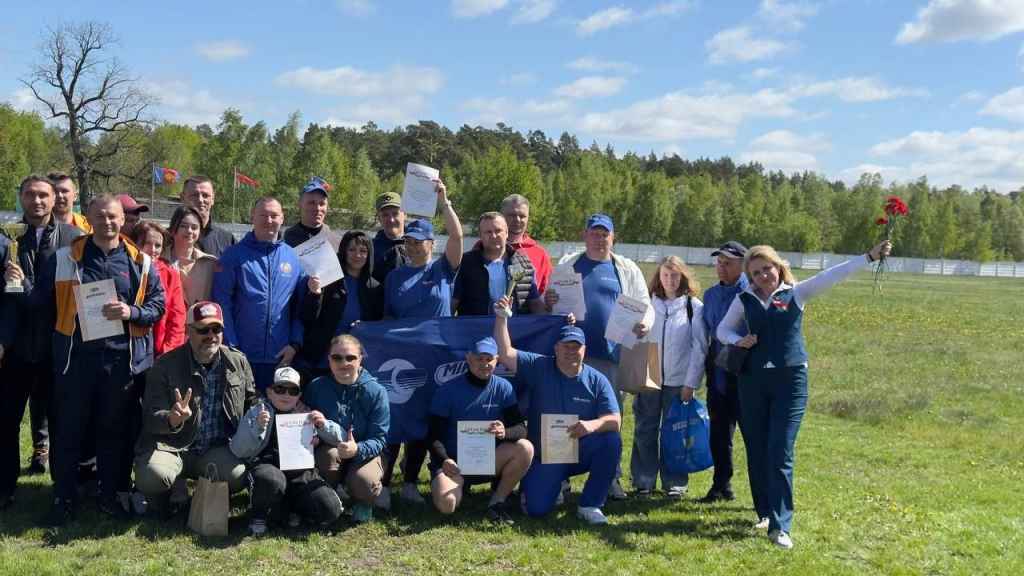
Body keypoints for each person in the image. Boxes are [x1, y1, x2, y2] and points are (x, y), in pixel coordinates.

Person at [717, 240, 892, 550]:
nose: (763, 276)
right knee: (756, 449)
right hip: (753, 382)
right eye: (756, 273)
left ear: (778, 267)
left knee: (780, 449)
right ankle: (764, 513)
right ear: (751, 276)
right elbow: (722, 330)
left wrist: (868, 256)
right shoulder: (744, 299)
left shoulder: (796, 293)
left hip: (790, 383)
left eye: (767, 269)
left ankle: (781, 526)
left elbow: (834, 275)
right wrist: (738, 339)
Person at [32, 194, 166, 525]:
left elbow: (157, 306)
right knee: (68, 431)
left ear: (123, 220)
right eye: (101, 216)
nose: (108, 222)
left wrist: (131, 311)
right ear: (88, 218)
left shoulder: (141, 262)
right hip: (75, 361)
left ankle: (109, 495)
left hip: (120, 363)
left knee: (112, 431)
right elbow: (41, 306)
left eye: (114, 217)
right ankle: (63, 496)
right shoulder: (64, 258)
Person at [545, 213, 651, 500]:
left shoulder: (625, 268)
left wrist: (645, 324)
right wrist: (549, 302)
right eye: (595, 233)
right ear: (585, 235)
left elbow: (645, 305)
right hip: (571, 355)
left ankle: (610, 478)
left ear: (612, 237)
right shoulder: (569, 265)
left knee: (610, 416)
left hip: (612, 356)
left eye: (605, 233)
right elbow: (550, 303)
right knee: (567, 415)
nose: (599, 238)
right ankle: (560, 478)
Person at [494, 296, 621, 524]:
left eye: (577, 347)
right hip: (546, 457)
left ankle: (590, 504)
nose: (571, 351)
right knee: (536, 510)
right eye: (566, 346)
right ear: (556, 348)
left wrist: (591, 426)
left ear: (585, 350)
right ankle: (554, 486)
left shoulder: (597, 380)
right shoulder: (540, 366)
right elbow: (505, 352)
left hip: (579, 450)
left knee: (611, 440)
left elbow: (615, 420)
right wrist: (501, 317)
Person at [0, 175, 83, 508]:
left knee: (62, 423)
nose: (37, 201)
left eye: (43, 195)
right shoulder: (5, 239)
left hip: (57, 347)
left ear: (56, 200)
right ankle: (5, 487)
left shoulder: (74, 239)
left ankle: (62, 490)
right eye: (30, 195)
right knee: (5, 422)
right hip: (14, 348)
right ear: (20, 197)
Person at [134, 301, 258, 518]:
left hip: (214, 448)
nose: (211, 335)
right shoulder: (164, 365)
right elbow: (150, 417)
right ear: (188, 331)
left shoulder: (238, 362)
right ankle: (165, 495)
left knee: (238, 476)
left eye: (216, 329)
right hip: (172, 446)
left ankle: (200, 492)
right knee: (152, 477)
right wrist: (172, 419)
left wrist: (265, 410)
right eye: (203, 330)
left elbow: (251, 400)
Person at [380, 179, 461, 507]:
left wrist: (445, 202)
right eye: (409, 242)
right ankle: (384, 482)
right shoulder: (394, 277)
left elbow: (457, 237)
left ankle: (411, 479)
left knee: (426, 417)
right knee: (397, 415)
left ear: (431, 243)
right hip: (401, 358)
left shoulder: (444, 269)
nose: (414, 246)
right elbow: (387, 318)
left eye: (420, 242)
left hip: (436, 358)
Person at [427, 337, 533, 524]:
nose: (484, 364)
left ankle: (497, 501)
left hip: (485, 460)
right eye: (479, 359)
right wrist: (445, 460)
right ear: (468, 358)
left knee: (525, 447)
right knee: (447, 505)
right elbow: (433, 435)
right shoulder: (448, 390)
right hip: (454, 464)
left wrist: (505, 432)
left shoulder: (504, 387)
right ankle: (452, 485)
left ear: (497, 359)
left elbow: (521, 429)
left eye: (489, 359)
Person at [230, 366, 343, 536]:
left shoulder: (307, 415)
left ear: (299, 395)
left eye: (293, 391)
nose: (286, 395)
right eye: (280, 389)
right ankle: (259, 516)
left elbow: (340, 438)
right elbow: (238, 449)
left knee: (330, 509)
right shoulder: (257, 412)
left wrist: (324, 425)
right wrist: (257, 428)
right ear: (270, 392)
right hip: (268, 468)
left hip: (300, 472)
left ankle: (291, 511)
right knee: (271, 479)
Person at [631, 256, 707, 498]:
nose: (670, 280)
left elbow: (700, 347)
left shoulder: (693, 307)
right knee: (645, 428)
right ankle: (643, 480)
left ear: (682, 277)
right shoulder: (647, 304)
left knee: (675, 432)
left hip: (679, 381)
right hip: (649, 378)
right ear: (658, 277)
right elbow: (634, 340)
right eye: (665, 275)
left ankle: (675, 482)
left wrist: (691, 382)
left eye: (674, 275)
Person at [213, 197, 306, 390]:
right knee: (240, 414)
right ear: (252, 217)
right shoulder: (234, 255)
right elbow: (221, 302)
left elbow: (301, 307)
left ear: (282, 218)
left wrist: (295, 344)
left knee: (275, 415)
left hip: (280, 357)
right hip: (241, 355)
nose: (268, 220)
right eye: (263, 215)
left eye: (274, 215)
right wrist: (232, 346)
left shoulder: (294, 258)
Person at [303, 335, 389, 524]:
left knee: (364, 482)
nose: (344, 363)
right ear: (329, 360)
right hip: (331, 449)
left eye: (350, 357)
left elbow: (379, 438)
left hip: (366, 452)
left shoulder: (376, 392)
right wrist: (315, 434)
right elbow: (304, 422)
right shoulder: (316, 387)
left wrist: (357, 449)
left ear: (360, 359)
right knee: (327, 458)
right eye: (337, 358)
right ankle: (331, 496)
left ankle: (364, 501)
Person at [700, 241, 749, 503]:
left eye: (728, 263)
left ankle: (761, 491)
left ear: (743, 264)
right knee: (719, 431)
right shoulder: (709, 296)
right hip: (719, 369)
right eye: (719, 262)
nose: (722, 267)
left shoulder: (752, 293)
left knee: (751, 432)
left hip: (746, 371)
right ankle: (721, 484)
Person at [301, 231, 384, 379]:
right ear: (343, 251)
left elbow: (379, 325)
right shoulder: (328, 279)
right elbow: (307, 316)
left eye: (363, 251)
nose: (357, 255)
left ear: (369, 254)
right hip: (321, 360)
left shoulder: (375, 288)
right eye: (351, 249)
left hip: (354, 363)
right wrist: (314, 294)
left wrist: (366, 326)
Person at [452, 212, 544, 316]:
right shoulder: (465, 263)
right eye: (488, 232)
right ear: (480, 235)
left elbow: (535, 305)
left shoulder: (524, 264)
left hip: (514, 331)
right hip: (476, 330)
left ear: (507, 232)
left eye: (498, 231)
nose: (494, 236)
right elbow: (453, 303)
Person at [132, 222, 186, 357]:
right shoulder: (125, 269)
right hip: (128, 347)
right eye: (147, 243)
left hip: (159, 351)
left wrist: (168, 352)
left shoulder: (170, 275)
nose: (153, 249)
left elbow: (177, 318)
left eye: (158, 245)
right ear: (135, 243)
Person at [501, 194, 552, 295]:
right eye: (512, 215)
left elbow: (546, 293)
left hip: (530, 310)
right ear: (501, 216)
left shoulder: (540, 254)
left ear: (528, 218)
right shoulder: (484, 247)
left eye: (522, 216)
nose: (517, 220)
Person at [167, 206, 218, 307]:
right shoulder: (159, 260)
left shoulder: (211, 264)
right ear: (173, 229)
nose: (189, 231)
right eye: (183, 226)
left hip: (200, 321)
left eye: (194, 227)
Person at [181, 175, 236, 257]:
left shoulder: (227, 240)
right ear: (182, 198)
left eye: (205, 195)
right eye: (194, 195)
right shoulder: (167, 238)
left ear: (213, 199)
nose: (200, 200)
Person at [284, 176, 339, 249]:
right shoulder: (286, 240)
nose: (317, 208)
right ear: (299, 204)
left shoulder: (335, 241)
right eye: (311, 203)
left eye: (322, 204)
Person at [370, 192, 407, 284]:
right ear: (379, 218)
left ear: (405, 214)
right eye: (385, 215)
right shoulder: (370, 249)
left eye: (395, 213)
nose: (391, 219)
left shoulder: (419, 244)